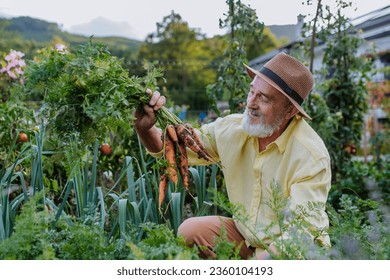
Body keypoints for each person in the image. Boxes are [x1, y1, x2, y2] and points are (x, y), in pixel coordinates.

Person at [134, 52, 331, 260]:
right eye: (252, 92)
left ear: (290, 110)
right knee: (191, 232)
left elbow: (300, 235)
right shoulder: (234, 129)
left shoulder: (310, 156)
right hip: (249, 240)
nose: (251, 103)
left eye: (263, 98)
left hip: (293, 253)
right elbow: (175, 149)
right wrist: (146, 129)